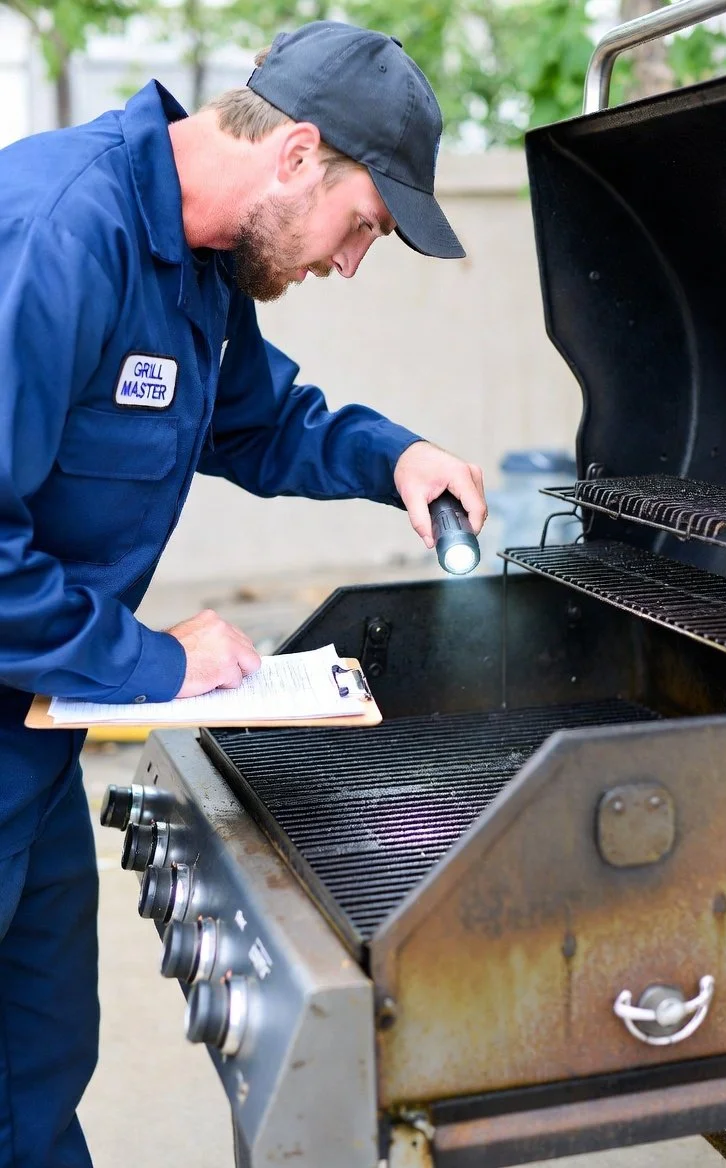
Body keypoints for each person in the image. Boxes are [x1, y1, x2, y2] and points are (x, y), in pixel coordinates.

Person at [0, 17, 487, 1168]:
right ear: (297, 153)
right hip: (39, 688)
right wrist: (156, 664)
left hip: (33, 729)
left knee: (37, 1061)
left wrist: (395, 457)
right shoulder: (58, 234)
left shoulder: (206, 272)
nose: (348, 260)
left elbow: (263, 422)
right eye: (361, 224)